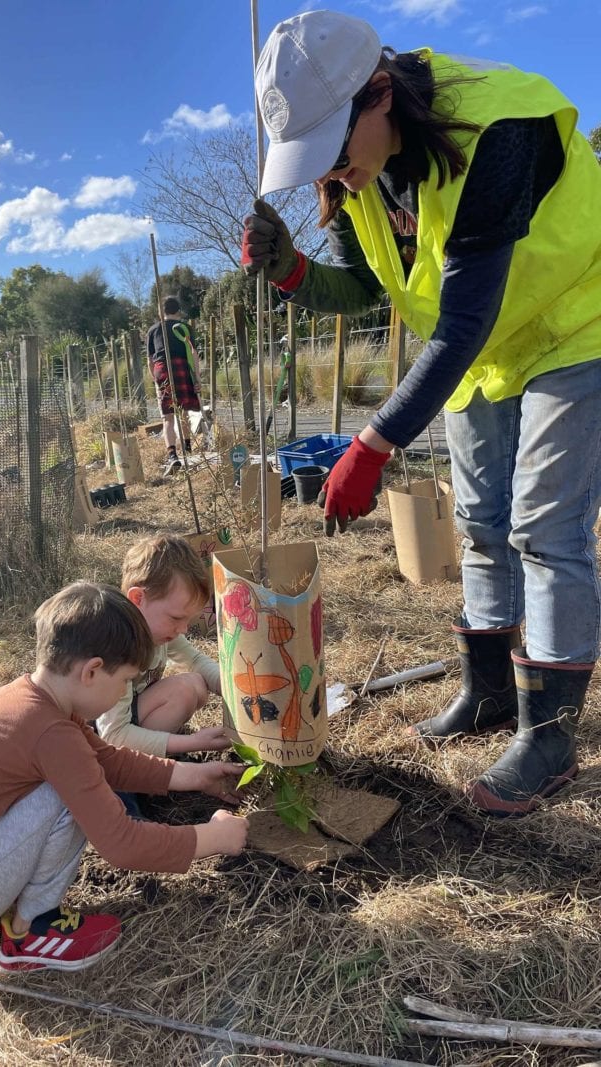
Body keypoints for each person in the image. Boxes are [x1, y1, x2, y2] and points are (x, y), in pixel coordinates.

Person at [241, 10, 601, 816]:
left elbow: (463, 319)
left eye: (333, 148)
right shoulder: (357, 176)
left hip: (580, 319)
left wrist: (371, 444)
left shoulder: (499, 126)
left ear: (381, 94)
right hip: (488, 351)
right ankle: (489, 694)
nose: (327, 171)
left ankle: (549, 738)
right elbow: (368, 287)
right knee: (480, 520)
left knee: (545, 526)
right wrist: (290, 268)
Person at [0, 581, 247, 974]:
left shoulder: (38, 703)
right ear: (92, 671)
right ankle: (32, 931)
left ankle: (16, 909)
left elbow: (111, 761)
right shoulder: (51, 734)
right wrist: (215, 838)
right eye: (123, 682)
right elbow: (122, 843)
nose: (122, 695)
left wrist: (198, 776)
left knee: (79, 777)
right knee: (66, 793)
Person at [95, 534, 230, 756]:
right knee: (184, 691)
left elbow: (195, 660)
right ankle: (147, 765)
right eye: (176, 618)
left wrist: (236, 691)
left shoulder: (156, 629)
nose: (184, 629)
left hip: (132, 719)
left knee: (196, 684)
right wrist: (194, 743)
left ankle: (158, 749)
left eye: (188, 620)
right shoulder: (116, 648)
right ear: (138, 599)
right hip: (107, 743)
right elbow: (113, 735)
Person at [146, 297, 202, 476]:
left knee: (168, 417)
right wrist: (197, 379)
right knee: (183, 412)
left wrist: (156, 380)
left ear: (160, 312)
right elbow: (193, 354)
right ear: (178, 311)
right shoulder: (185, 328)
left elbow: (150, 360)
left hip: (162, 370)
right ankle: (187, 450)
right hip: (183, 368)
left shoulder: (153, 330)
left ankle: (172, 456)